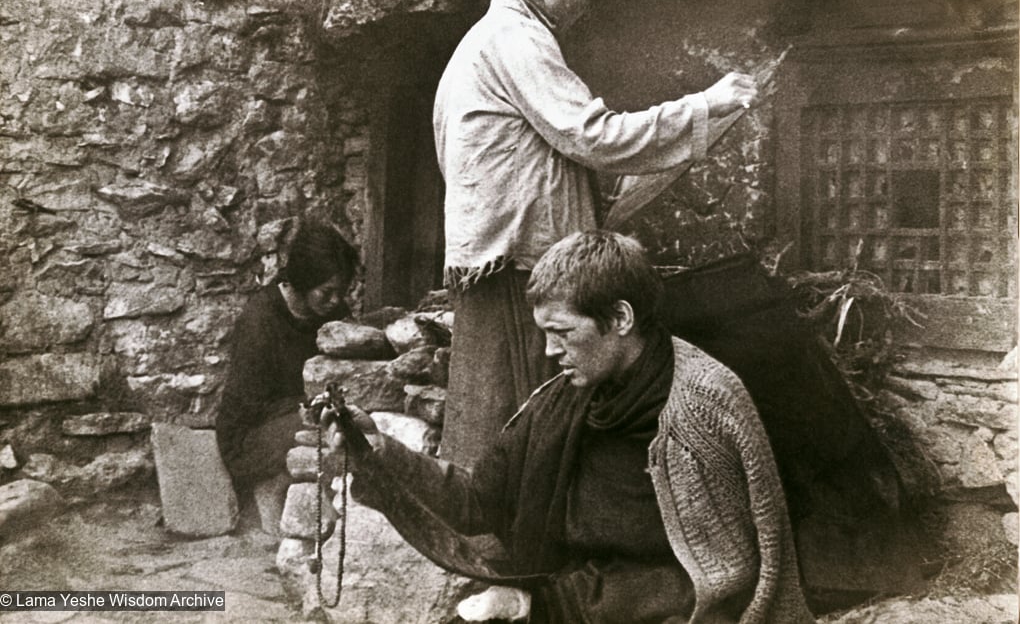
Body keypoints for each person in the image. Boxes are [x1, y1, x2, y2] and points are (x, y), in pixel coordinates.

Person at [327, 231, 814, 623]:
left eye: (562, 332)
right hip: (567, 600)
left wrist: (541, 605)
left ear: (619, 318)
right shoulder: (562, 399)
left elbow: (721, 580)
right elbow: (479, 501)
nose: (548, 352)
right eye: (543, 334)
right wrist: (379, 451)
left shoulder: (702, 405)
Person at [434, 0, 760, 467]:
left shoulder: (484, 40)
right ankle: (518, 541)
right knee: (534, 415)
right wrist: (707, 105)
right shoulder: (519, 38)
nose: (589, 3)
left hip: (495, 255)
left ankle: (495, 537)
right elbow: (594, 136)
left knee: (499, 420)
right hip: (517, 263)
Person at [215, 220, 357, 500]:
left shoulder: (332, 311)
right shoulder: (260, 322)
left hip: (304, 415)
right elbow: (248, 408)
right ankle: (277, 491)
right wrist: (305, 407)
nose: (335, 301)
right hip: (249, 439)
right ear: (303, 279)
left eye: (341, 292)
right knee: (330, 428)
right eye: (327, 292)